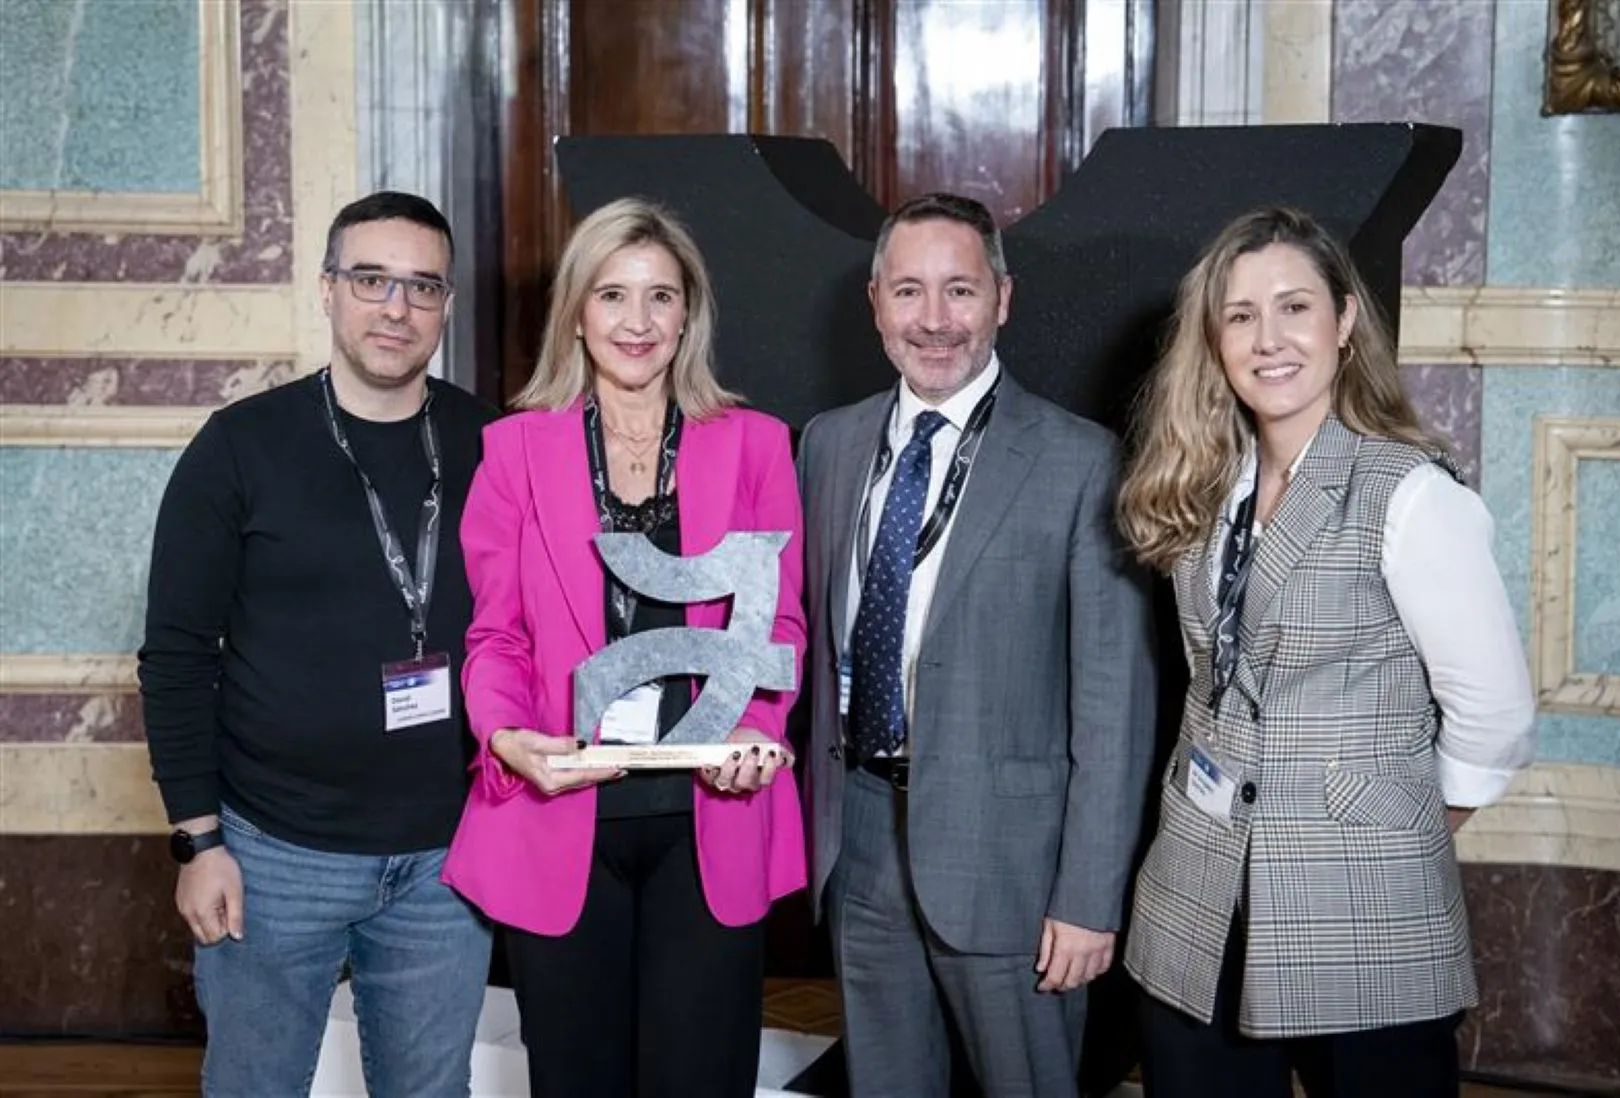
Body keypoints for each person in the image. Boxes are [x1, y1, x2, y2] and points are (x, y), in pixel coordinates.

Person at [1117, 206, 1537, 1098]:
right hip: (1195, 898)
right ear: (1214, 339)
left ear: (1344, 322)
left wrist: (1382, 831)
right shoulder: (1199, 485)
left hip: (1365, 908)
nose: (1269, 339)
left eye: (1294, 308)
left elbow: (1495, 719)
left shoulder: (1410, 495)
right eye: (1240, 315)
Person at [440, 197, 807, 1098]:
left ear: (690, 312)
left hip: (709, 814)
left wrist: (756, 728)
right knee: (575, 1080)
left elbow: (779, 624)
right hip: (561, 808)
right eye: (612, 295)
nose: (636, 323)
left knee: (701, 1078)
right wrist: (504, 736)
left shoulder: (756, 444)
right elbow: (494, 635)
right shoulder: (515, 450)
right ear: (576, 311)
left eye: (660, 297)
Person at [797, 192, 1157, 1098]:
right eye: (909, 291)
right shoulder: (828, 447)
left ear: (1003, 297)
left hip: (1016, 864)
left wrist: (1086, 898)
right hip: (863, 840)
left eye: (959, 291)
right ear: (875, 300)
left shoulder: (1082, 463)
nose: (934, 320)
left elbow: (1115, 706)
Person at [139, 191, 497, 1095]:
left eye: (422, 287)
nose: (396, 307)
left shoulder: (493, 442)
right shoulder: (238, 448)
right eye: (371, 279)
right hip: (271, 854)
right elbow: (178, 655)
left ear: (446, 307)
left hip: (444, 863)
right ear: (329, 290)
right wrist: (196, 842)